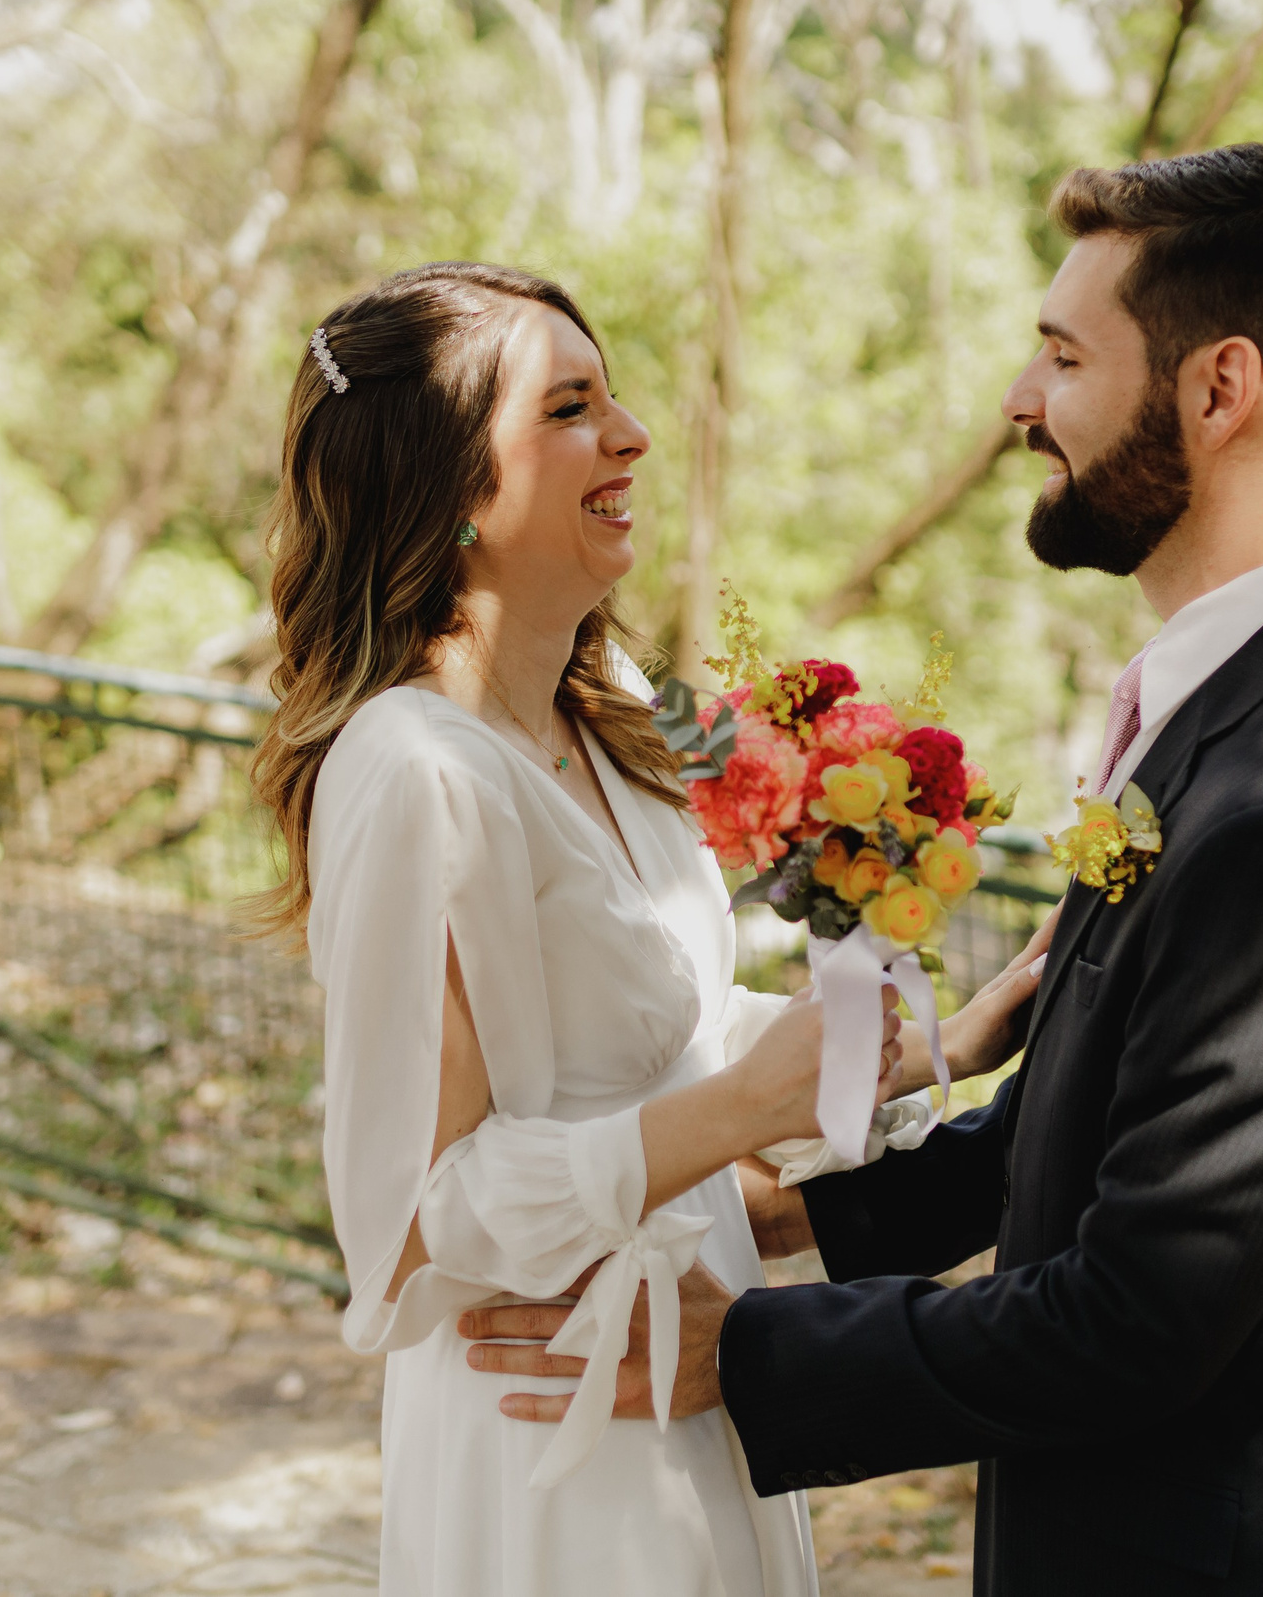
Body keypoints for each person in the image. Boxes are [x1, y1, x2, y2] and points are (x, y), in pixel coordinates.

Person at [465, 145, 1263, 1596]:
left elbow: (1143, 1310)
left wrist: (744, 1350)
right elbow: (1101, 1126)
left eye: (1064, 358)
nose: (1022, 403)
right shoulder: (1234, 706)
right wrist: (795, 1215)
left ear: (1220, 389)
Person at [249, 262, 1054, 1597]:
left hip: (693, 1364)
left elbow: (662, 1037)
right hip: (551, 1432)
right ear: (450, 483)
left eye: (612, 396)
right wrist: (743, 1105)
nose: (629, 436)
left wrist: (932, 1053)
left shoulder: (611, 704)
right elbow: (410, 1229)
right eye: (570, 409)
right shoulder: (415, 772)